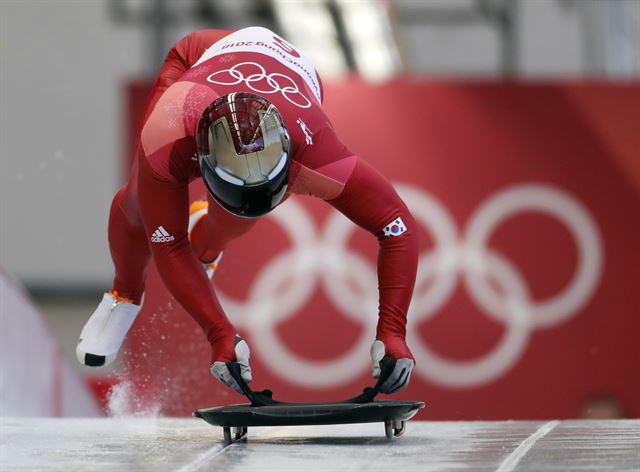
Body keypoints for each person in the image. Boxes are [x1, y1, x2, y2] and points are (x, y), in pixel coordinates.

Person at [76, 26, 418, 395]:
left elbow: (397, 227)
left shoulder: (318, 150)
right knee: (137, 203)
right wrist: (219, 334)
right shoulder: (168, 133)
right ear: (202, 162)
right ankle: (124, 295)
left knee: (235, 220)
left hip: (291, 80)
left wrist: (393, 332)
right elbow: (169, 244)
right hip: (197, 60)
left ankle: (207, 246)